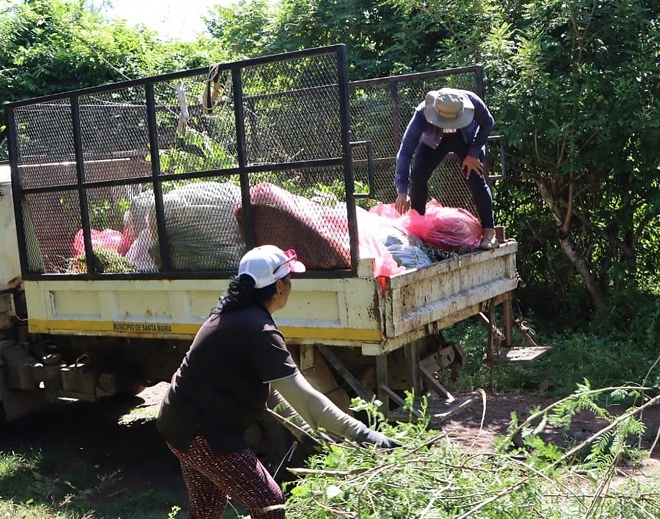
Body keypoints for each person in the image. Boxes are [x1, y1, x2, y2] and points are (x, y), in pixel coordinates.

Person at [156, 245, 397, 519]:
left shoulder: (237, 316)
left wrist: (309, 431)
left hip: (178, 422)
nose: (291, 286)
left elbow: (274, 393)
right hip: (202, 433)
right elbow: (306, 398)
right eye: (290, 279)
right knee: (269, 503)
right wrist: (366, 435)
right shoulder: (257, 330)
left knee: (207, 509)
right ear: (279, 286)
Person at [394, 87, 499, 250]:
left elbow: (488, 122)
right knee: (418, 175)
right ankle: (418, 232)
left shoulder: (473, 102)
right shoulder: (422, 112)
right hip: (434, 141)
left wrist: (473, 152)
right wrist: (402, 190)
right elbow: (406, 149)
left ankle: (489, 233)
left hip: (466, 140)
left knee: (476, 178)